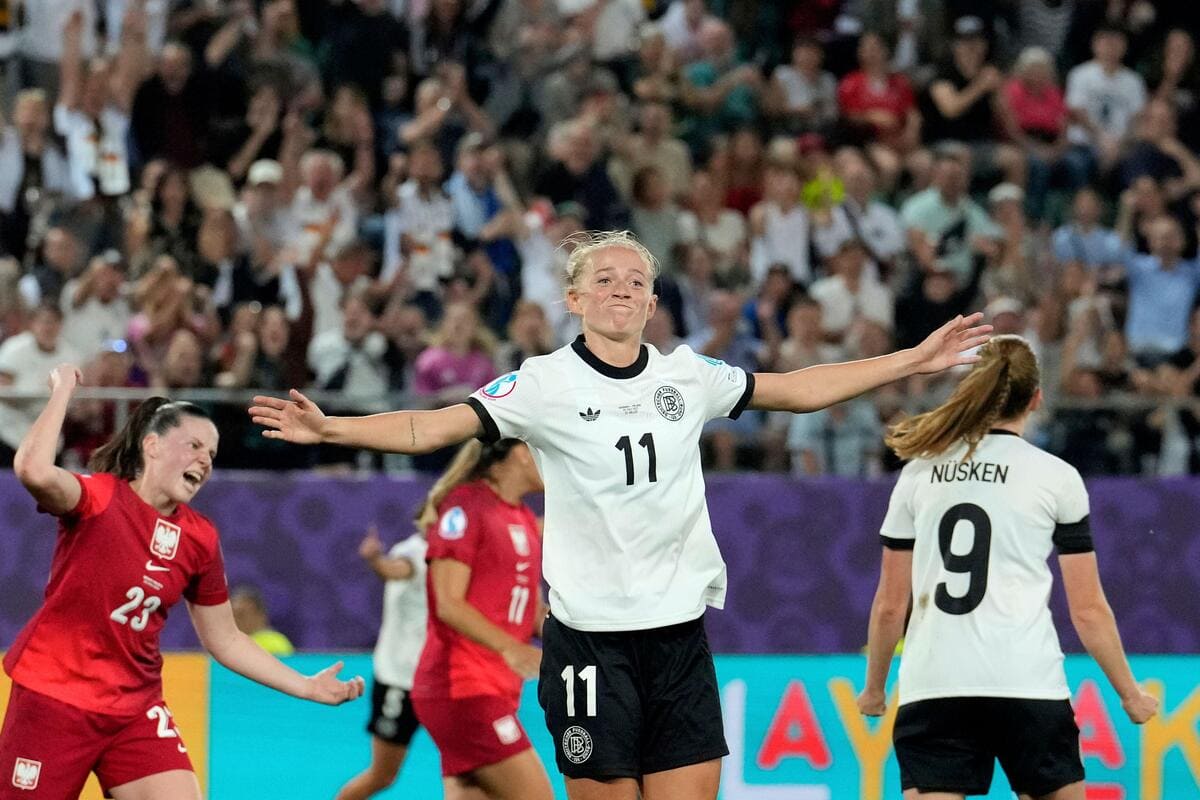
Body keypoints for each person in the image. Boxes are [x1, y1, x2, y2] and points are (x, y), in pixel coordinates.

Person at [249, 230, 989, 800]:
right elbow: (433, 425)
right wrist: (334, 428)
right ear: (575, 299)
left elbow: (795, 387)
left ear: (652, 303)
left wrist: (910, 361)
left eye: (637, 281)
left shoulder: (686, 375)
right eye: (604, 279)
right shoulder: (542, 384)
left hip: (678, 640)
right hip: (590, 648)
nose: (622, 290)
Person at [0, 366, 364, 800]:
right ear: (151, 446)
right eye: (193, 445)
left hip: (135, 708)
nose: (205, 460)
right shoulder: (97, 498)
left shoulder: (200, 538)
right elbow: (34, 471)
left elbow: (226, 639)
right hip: (55, 699)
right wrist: (62, 391)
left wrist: (304, 685)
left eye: (211, 453)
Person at [856, 336, 1159, 800]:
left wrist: (874, 688)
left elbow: (890, 606)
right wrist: (1129, 694)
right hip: (1027, 682)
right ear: (1036, 398)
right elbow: (1088, 611)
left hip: (935, 685)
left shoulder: (919, 472)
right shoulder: (1056, 477)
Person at [411, 438, 552, 800]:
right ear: (521, 453)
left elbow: (532, 614)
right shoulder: (466, 507)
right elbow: (448, 603)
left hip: (496, 690)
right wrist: (510, 648)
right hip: (460, 688)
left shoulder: (520, 516)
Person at [334, 524, 429, 800]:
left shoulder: (456, 550)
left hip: (441, 681)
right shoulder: (414, 552)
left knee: (473, 769)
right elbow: (394, 570)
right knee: (383, 775)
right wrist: (375, 560)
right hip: (401, 682)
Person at [230, 585, 296, 656]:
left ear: (260, 615)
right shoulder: (228, 644)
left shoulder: (275, 643)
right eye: (233, 615)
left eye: (241, 614)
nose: (235, 620)